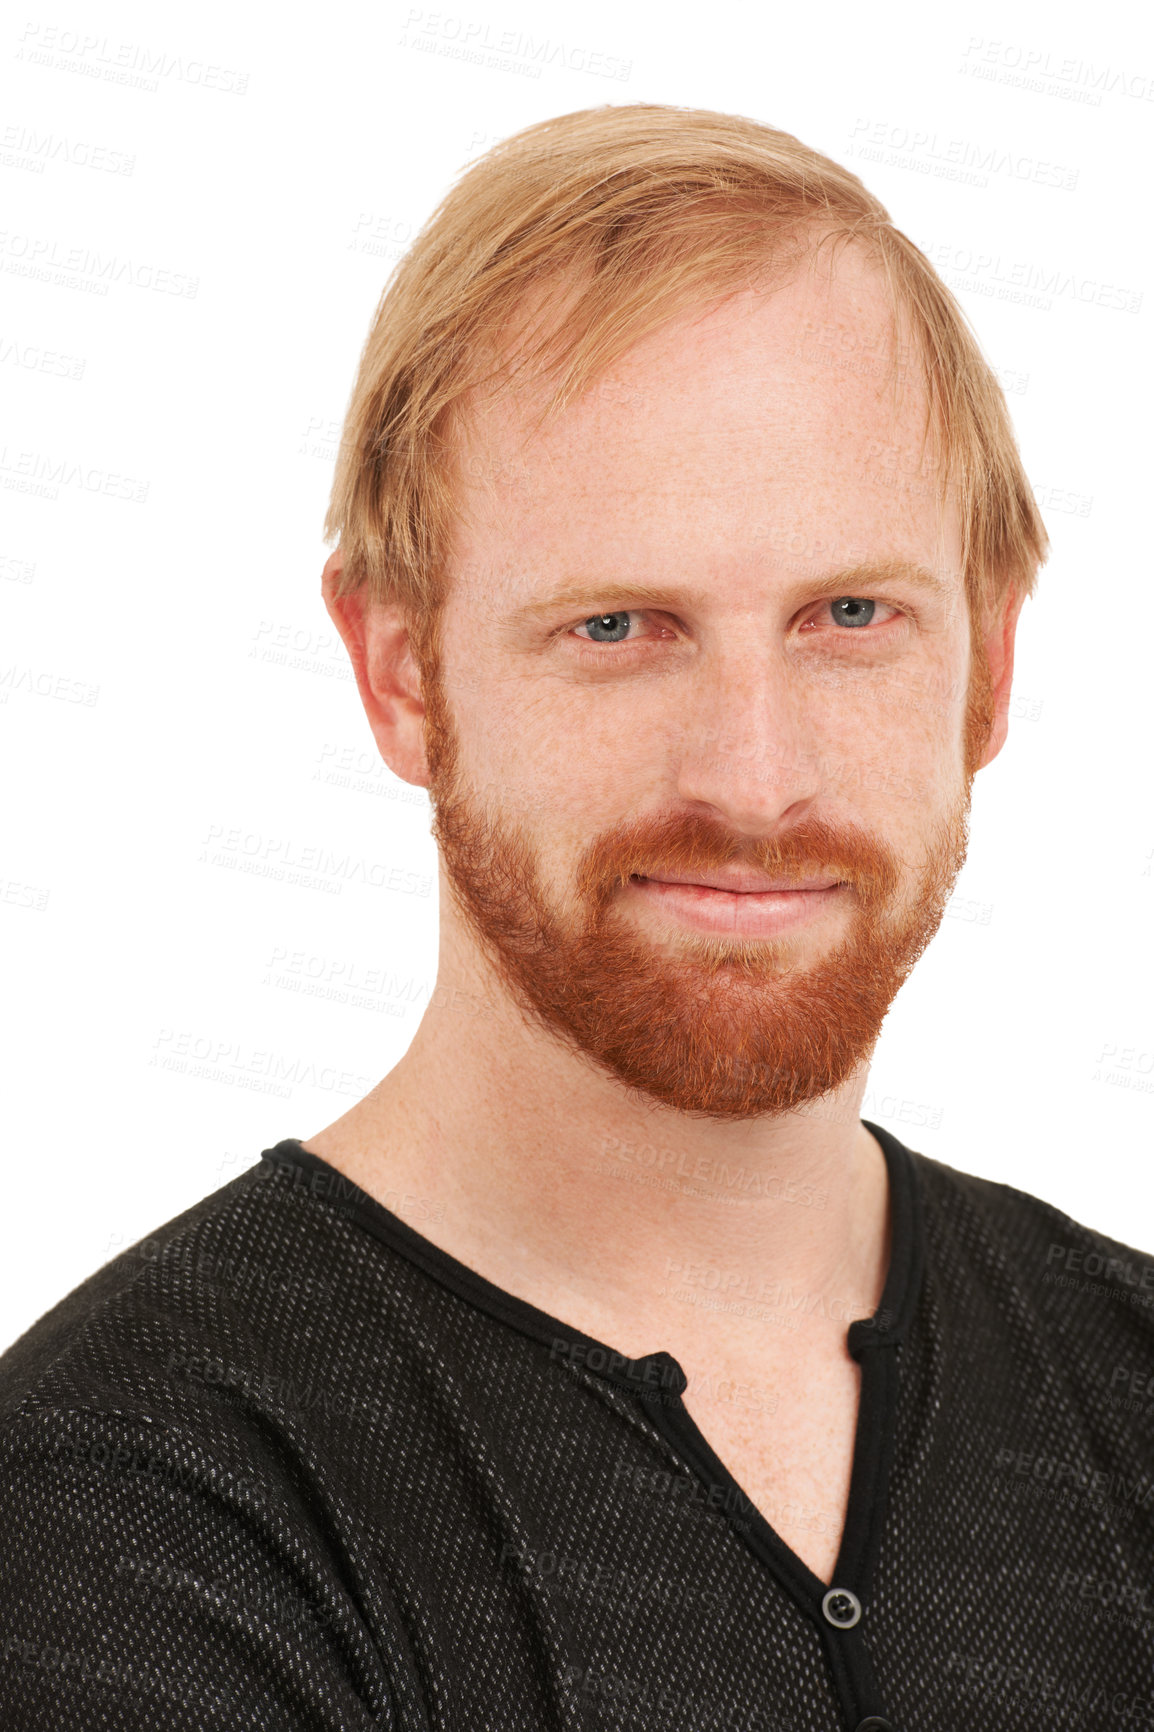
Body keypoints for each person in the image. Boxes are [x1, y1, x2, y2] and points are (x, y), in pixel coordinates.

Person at [1, 103, 1151, 1732]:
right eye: (618, 626)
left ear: (990, 662)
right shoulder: (127, 1507)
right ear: (401, 672)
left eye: (848, 616)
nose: (754, 775)